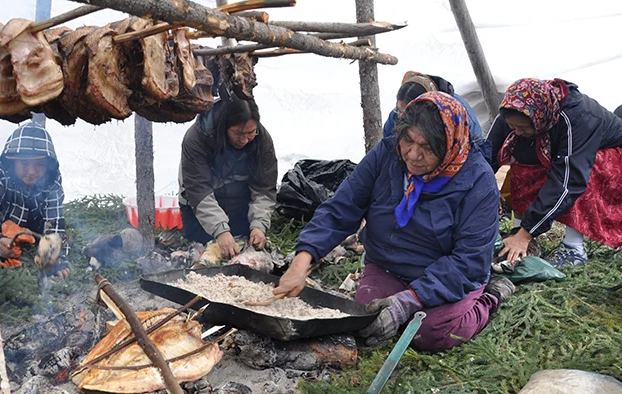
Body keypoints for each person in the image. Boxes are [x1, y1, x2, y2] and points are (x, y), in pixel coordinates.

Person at [274, 91, 513, 352]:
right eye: (408, 140)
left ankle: (490, 296)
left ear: (450, 145)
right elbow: (342, 207)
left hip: (449, 275)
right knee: (366, 317)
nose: (412, 155)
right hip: (389, 266)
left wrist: (408, 301)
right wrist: (301, 262)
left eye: (428, 148)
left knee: (429, 334)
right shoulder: (387, 154)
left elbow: (469, 261)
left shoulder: (478, 181)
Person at [488, 78, 622, 268]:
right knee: (523, 156)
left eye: (523, 127)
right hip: (568, 157)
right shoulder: (515, 109)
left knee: (585, 166)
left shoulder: (578, 118)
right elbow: (486, 156)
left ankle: (574, 248)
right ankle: (519, 232)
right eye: (512, 126)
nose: (516, 131)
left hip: (613, 162)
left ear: (540, 118)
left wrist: (528, 232)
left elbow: (568, 180)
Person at [178, 95, 278, 259]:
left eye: (251, 133)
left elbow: (264, 188)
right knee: (201, 249)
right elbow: (198, 189)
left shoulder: (262, 140)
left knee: (241, 249)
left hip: (239, 204)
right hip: (199, 207)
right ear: (224, 126)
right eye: (238, 134)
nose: (245, 140)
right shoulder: (196, 138)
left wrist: (259, 224)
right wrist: (221, 230)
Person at [0, 121, 70, 277]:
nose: (32, 171)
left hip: (30, 227)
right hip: (1, 223)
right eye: (24, 163)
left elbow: (54, 220)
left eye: (39, 164)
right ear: (12, 161)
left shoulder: (51, 179)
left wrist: (55, 258)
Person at [384, 71, 491, 162]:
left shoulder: (458, 117)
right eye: (400, 110)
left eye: (408, 113)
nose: (402, 117)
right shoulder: (396, 115)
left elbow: (477, 154)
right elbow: (387, 148)